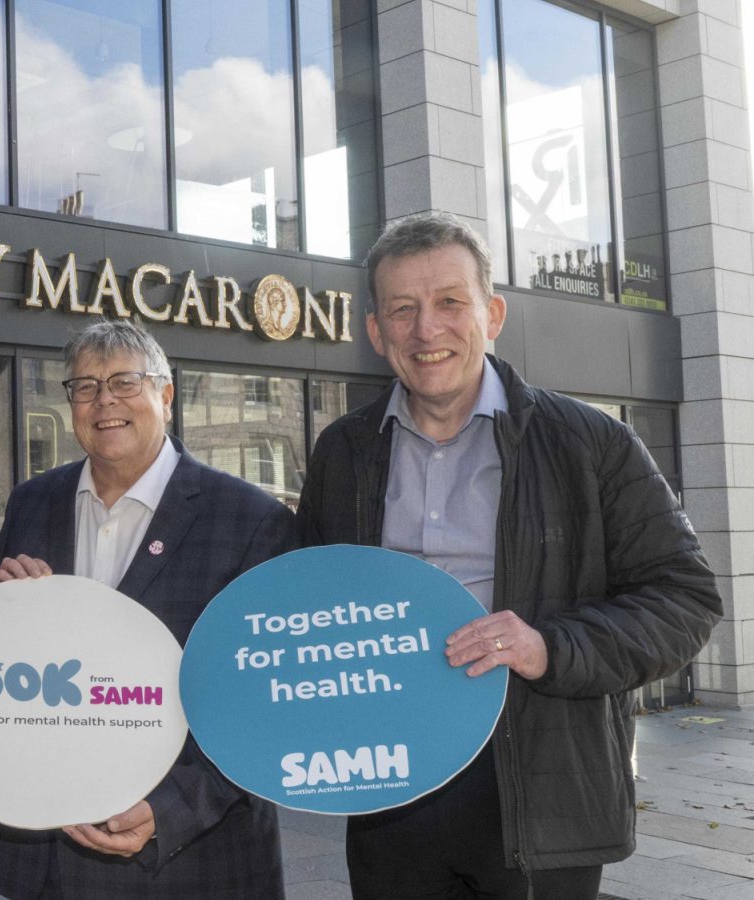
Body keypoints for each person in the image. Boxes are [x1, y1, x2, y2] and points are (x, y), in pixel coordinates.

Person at [297, 211, 722, 899]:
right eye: (402, 310)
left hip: (541, 787)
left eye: (449, 302)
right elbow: (308, 600)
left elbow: (686, 599)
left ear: (491, 314)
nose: (426, 330)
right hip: (391, 786)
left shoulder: (592, 444)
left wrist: (549, 646)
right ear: (375, 331)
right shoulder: (343, 451)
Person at [0, 319, 295, 899]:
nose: (104, 401)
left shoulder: (251, 521)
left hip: (192, 861)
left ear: (166, 395)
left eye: (125, 382)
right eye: (84, 387)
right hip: (49, 859)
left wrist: (171, 806)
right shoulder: (31, 503)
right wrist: (5, 616)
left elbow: (269, 703)